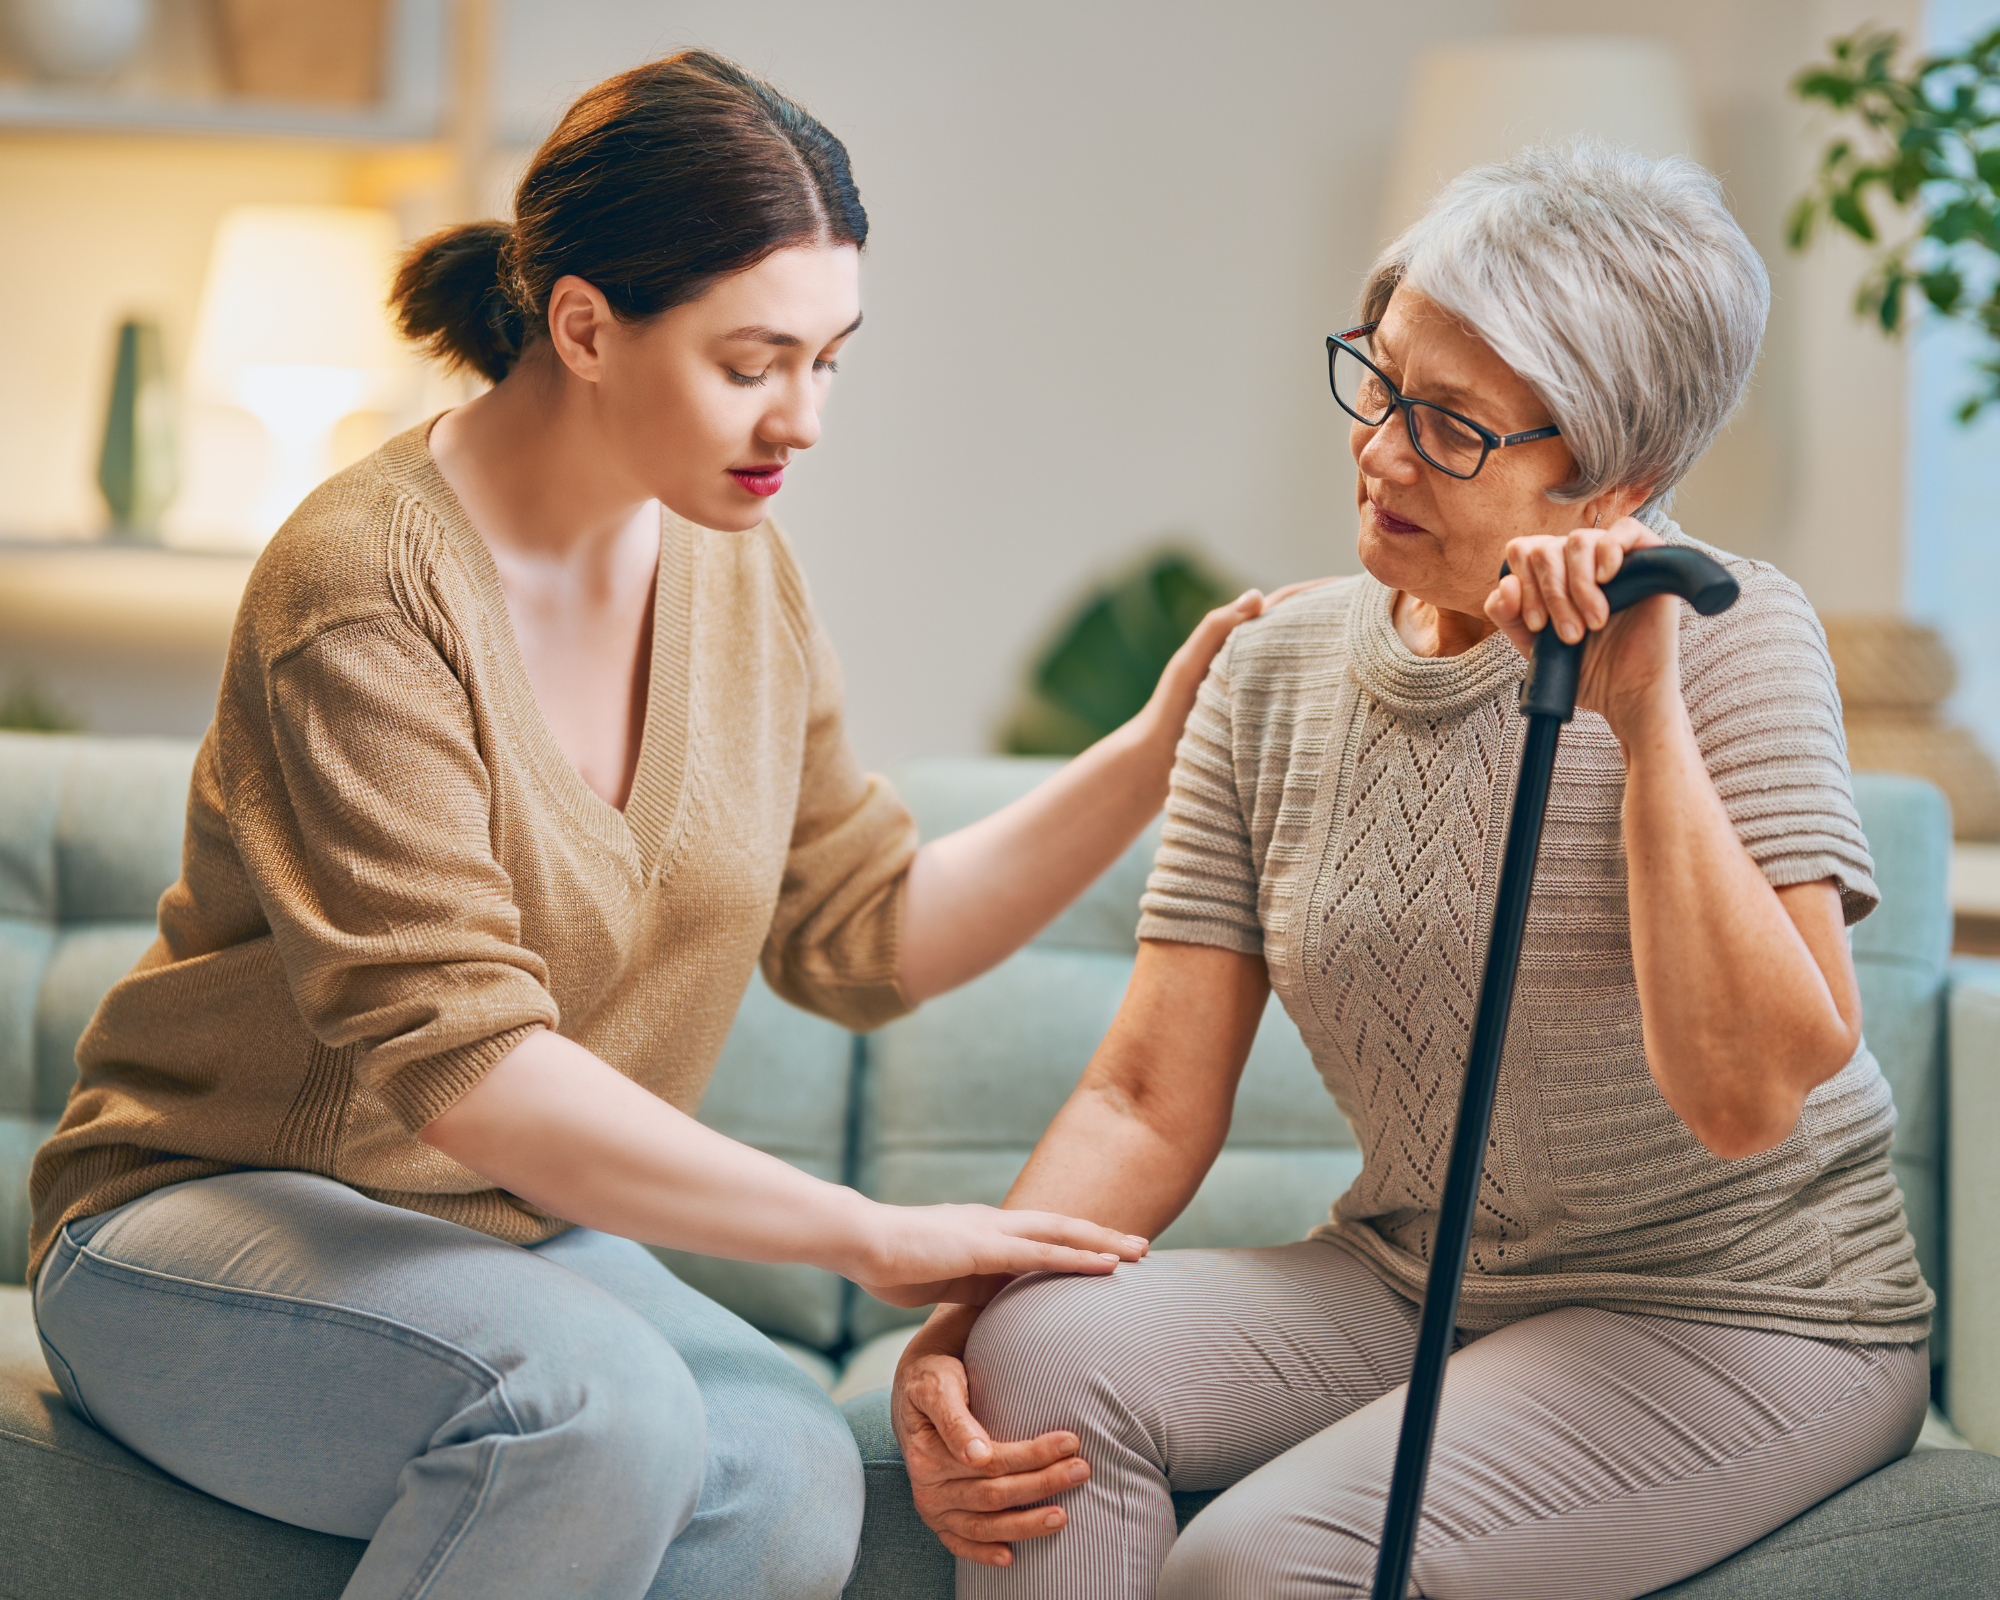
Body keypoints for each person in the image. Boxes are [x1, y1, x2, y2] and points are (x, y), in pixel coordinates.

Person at [26, 51, 1283, 1600]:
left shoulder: (735, 568)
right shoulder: (362, 588)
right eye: (754, 360)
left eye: (832, 360)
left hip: (506, 1248)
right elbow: (467, 1070)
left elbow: (865, 930)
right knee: (592, 1418)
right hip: (202, 1222)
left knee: (785, 1478)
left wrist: (1156, 750)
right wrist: (864, 1235)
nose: (804, 418)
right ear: (583, 327)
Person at [890, 141, 1934, 1600]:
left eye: (1448, 427)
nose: (1380, 451)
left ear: (1614, 479)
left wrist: (1643, 721)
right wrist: (964, 1337)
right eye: (1379, 384)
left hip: (1736, 1314)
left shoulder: (1735, 635)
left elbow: (1751, 1094)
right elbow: (1144, 1093)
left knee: (1265, 1560)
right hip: (1413, 1278)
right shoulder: (1275, 673)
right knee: (1041, 1359)